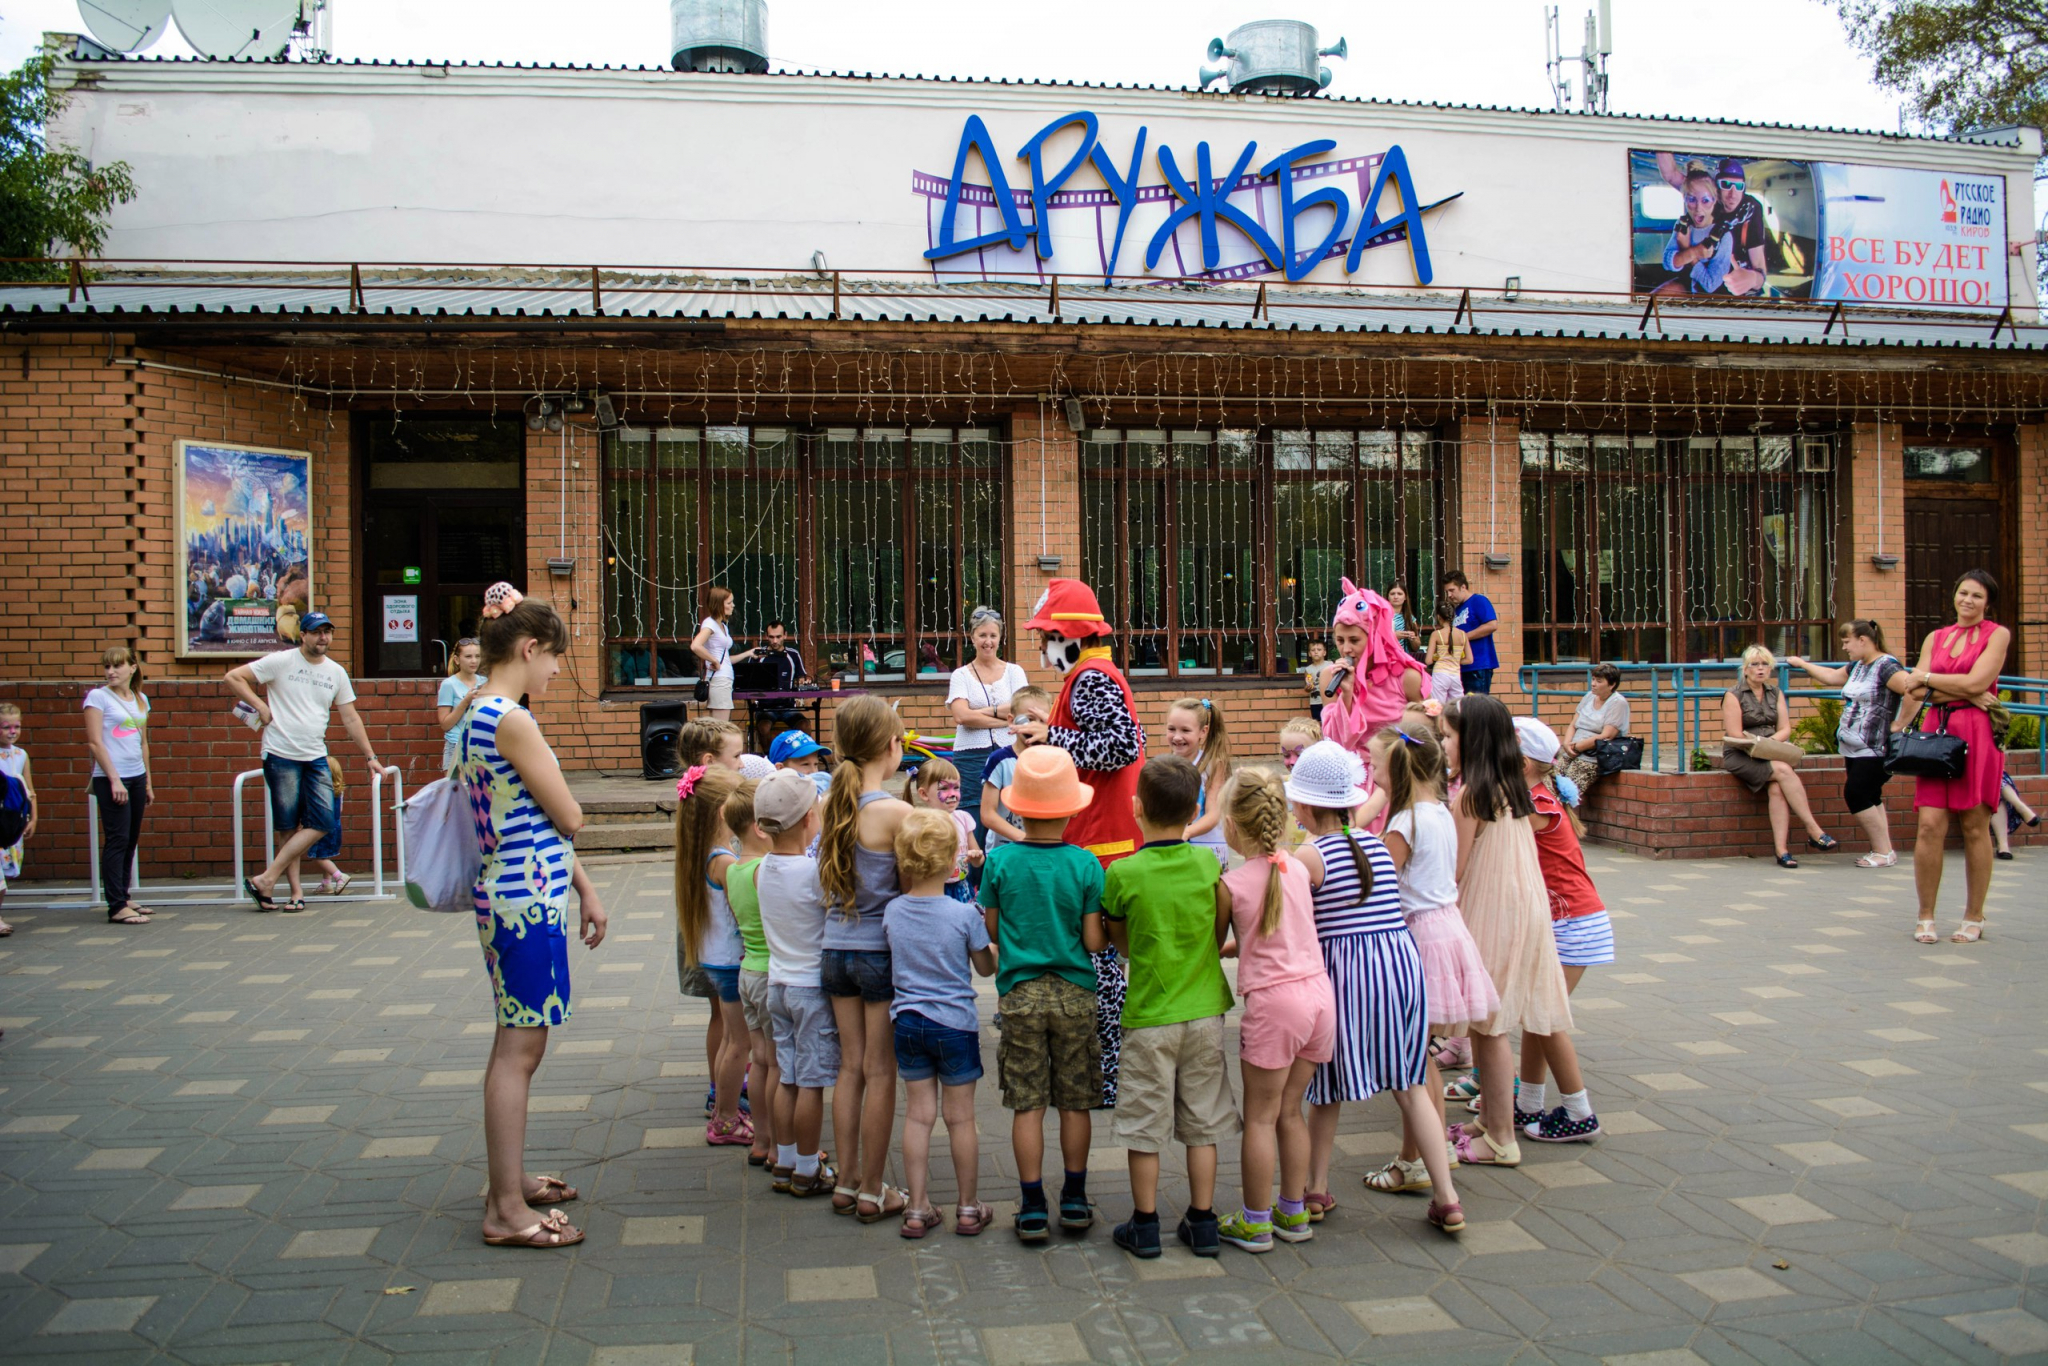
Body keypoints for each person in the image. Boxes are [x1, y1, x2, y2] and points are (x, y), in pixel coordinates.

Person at [461, 587, 609, 1250]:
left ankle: (509, 1181)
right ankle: (505, 1210)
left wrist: (585, 887)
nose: (556, 671)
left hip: (512, 888)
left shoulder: (473, 710)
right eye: (554, 658)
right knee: (519, 1052)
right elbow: (569, 814)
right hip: (525, 900)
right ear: (528, 649)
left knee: (512, 1045)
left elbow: (531, 818)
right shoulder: (511, 719)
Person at [1287, 739, 1462, 1233]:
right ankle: (1447, 1197)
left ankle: (1316, 1188)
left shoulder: (1308, 857)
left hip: (1349, 972)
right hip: (1400, 966)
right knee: (1410, 1086)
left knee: (1326, 1088)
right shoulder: (1372, 841)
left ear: (1303, 805)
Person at [1101, 755, 1238, 1260]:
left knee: (1144, 1123)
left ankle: (1145, 1224)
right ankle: (1202, 1221)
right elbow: (1220, 926)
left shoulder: (1123, 871)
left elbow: (1120, 942)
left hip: (1149, 1015)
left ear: (1135, 808)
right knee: (1202, 1122)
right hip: (1205, 1011)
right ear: (1195, 809)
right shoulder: (1209, 863)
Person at [1015, 580, 1144, 1107]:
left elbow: (1120, 746)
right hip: (1097, 841)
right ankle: (1099, 1074)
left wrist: (1050, 739)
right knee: (1099, 964)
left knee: (1102, 967)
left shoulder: (1091, 678)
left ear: (1071, 634)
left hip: (1102, 847)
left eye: (1048, 636)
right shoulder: (1089, 676)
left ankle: (1105, 1077)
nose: (1044, 648)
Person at [980, 744, 1109, 1242]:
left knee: (1027, 1104)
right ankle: (1074, 1199)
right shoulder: (1085, 864)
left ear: (1018, 806)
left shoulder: (1001, 862)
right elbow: (1095, 941)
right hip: (1075, 993)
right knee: (1076, 1101)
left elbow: (992, 925)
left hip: (1020, 994)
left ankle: (1032, 1204)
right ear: (1073, 807)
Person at [1439, 696, 1575, 1168]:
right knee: (1486, 1023)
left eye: (1449, 735)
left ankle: (1500, 1137)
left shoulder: (1470, 794)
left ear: (1470, 741)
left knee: (1489, 1026)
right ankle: (1489, 1121)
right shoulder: (1509, 784)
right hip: (1523, 907)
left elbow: (1451, 871)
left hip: (1490, 910)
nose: (1443, 743)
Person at [1362, 727, 1495, 1195]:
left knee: (1412, 1064)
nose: (1372, 774)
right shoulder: (1437, 810)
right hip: (1447, 927)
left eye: (1376, 765)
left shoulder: (1405, 824)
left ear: (1397, 769)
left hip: (1419, 936)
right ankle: (1429, 1151)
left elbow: (1379, 882)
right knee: (1421, 1058)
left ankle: (1413, 1160)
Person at [1213, 769, 1339, 1253]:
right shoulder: (1299, 869)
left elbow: (1214, 943)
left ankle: (1255, 1221)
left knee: (1260, 1117)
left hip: (1275, 1005)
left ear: (1229, 825)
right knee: (1291, 1112)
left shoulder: (1231, 884)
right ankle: (1294, 1211)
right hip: (1318, 998)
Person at [816, 694, 912, 1221]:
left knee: (848, 1069)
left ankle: (847, 1179)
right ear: (890, 747)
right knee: (880, 1071)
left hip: (834, 951)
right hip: (879, 954)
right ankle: (875, 1188)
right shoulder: (897, 813)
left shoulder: (831, 804)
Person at [226, 612, 392, 913]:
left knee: (324, 821)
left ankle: (266, 879)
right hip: (280, 753)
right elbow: (233, 677)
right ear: (302, 635)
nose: (323, 638)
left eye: (328, 632)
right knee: (288, 827)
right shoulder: (281, 661)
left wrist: (371, 757)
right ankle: (295, 893)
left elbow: (351, 717)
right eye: (316, 632)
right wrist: (261, 706)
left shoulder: (336, 672)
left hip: (315, 754)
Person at [884, 808, 997, 1239]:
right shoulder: (963, 914)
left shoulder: (893, 911)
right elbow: (984, 969)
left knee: (917, 1116)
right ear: (954, 862)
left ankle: (917, 1207)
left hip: (909, 1022)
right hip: (956, 1025)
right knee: (961, 1119)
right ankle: (968, 1207)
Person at [1902, 569, 2012, 944]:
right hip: (1936, 733)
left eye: (1977, 596)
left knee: (1973, 827)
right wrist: (1954, 688)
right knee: (1930, 825)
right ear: (1954, 595)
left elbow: (1977, 683)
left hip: (1977, 736)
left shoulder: (1998, 635)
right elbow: (1911, 690)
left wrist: (1930, 680)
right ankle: (1926, 916)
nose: (1967, 601)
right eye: (1963, 593)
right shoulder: (1937, 636)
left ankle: (1973, 915)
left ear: (1988, 602)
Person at [1511, 717, 1604, 1144]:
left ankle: (1579, 1112)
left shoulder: (1534, 805)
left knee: (1546, 1016)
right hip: (1566, 921)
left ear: (1526, 761)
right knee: (1536, 1014)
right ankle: (1528, 1105)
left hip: (1574, 923)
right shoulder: (1534, 794)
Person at [754, 769, 839, 1197]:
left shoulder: (760, 869)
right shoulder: (814, 873)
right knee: (812, 1082)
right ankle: (809, 1167)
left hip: (777, 985)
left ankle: (784, 1160)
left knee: (785, 1075)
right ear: (809, 818)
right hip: (811, 988)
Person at [1787, 621, 1915, 869]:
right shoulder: (1858, 665)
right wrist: (1802, 664)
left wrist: (1900, 723)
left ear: (1863, 641)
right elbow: (1832, 677)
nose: (1844, 647)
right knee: (1871, 795)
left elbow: (1914, 690)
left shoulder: (1886, 666)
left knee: (1856, 794)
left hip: (1874, 746)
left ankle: (1882, 850)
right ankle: (1885, 850)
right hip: (1852, 746)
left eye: (1847, 642)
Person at [673, 762, 752, 1148]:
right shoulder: (723, 860)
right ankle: (725, 1118)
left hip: (715, 959)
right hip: (731, 963)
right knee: (741, 1043)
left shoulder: (702, 851)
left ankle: (724, 1106)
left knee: (730, 1041)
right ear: (725, 811)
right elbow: (745, 908)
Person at [1319, 579, 1428, 825]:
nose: (1346, 649)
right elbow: (1335, 742)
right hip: (1349, 787)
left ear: (1375, 635)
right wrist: (1346, 695)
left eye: (1354, 640)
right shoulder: (1330, 677)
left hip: (1397, 784)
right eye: (1339, 640)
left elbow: (1430, 737)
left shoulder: (1406, 677)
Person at [1720, 645, 1839, 869]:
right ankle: (1813, 829)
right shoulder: (1733, 694)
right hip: (1742, 754)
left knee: (1777, 788)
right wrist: (1762, 746)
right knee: (1784, 770)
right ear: (1745, 669)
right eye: (1754, 665)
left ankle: (1782, 851)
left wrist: (1771, 744)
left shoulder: (1775, 693)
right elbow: (1735, 734)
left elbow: (1785, 728)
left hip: (1770, 751)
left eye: (1765, 664)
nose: (1760, 669)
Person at [722, 777, 778, 1169]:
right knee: (777, 1063)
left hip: (748, 972)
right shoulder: (764, 871)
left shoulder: (733, 870)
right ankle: (778, 1145)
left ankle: (761, 1139)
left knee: (760, 1060)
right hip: (773, 973)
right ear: (761, 827)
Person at [83, 645, 155, 925]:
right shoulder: (98, 697)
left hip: (136, 776)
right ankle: (115, 906)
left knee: (130, 839)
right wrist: (114, 779)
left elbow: (143, 742)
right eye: (107, 667)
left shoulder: (140, 699)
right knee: (117, 839)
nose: (110, 672)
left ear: (132, 668)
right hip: (111, 778)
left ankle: (123, 895)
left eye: (117, 666)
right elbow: (95, 742)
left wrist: (148, 780)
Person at [947, 605, 1030, 839]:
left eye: (993, 636)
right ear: (972, 637)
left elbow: (1023, 710)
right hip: (972, 758)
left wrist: (982, 712)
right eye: (982, 635)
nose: (988, 641)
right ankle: (975, 876)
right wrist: (1005, 719)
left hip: (1010, 753)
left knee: (1012, 816)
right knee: (973, 824)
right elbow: (961, 716)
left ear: (1000, 638)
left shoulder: (1015, 672)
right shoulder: (960, 675)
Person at [980, 686, 1054, 850]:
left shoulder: (1056, 760)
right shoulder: (999, 760)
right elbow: (987, 814)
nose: (1035, 726)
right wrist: (1025, 838)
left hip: (1045, 849)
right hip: (1005, 852)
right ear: (1011, 721)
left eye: (1042, 720)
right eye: (1028, 719)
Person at [1165, 698, 1233, 867]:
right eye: (1171, 729)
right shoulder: (1166, 764)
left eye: (1185, 730)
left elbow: (1213, 815)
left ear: (1203, 731)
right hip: (1178, 848)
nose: (1177, 737)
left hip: (1207, 852)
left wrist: (1185, 832)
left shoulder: (1213, 764)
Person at [907, 757, 982, 902]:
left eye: (956, 787)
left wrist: (976, 857)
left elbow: (977, 860)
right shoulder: (922, 824)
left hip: (962, 887)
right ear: (924, 794)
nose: (953, 794)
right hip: (934, 890)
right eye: (944, 788)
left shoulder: (964, 819)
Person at [1653, 169, 1737, 296]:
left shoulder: (1724, 236)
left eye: (1705, 201)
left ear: (1714, 201)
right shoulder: (1683, 224)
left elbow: (1710, 284)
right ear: (1684, 200)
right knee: (1650, 301)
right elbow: (1668, 263)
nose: (1698, 208)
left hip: (1711, 297)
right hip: (1687, 284)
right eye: (1692, 200)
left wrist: (1687, 250)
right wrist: (1693, 252)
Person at [1557, 663, 1631, 800]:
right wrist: (1567, 744)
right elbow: (1573, 724)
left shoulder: (1618, 703)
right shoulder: (1589, 696)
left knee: (1565, 794)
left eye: (1599, 681)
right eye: (1593, 679)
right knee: (1550, 783)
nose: (1593, 684)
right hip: (1572, 750)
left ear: (1612, 685)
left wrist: (1578, 747)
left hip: (1593, 757)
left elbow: (1607, 735)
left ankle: (1562, 819)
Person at [691, 586, 762, 723]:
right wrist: (714, 661)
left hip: (724, 678)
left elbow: (725, 660)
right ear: (719, 605)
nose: (732, 605)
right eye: (729, 603)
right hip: (720, 680)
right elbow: (695, 645)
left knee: (718, 726)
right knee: (720, 726)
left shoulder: (722, 626)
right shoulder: (710, 624)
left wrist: (748, 653)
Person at [0, 702, 36, 937]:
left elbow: (30, 790)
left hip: (12, 821)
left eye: (17, 726)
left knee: (7, 870)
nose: (13, 731)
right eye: (5, 727)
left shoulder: (21, 755)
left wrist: (33, 818)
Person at [750, 619, 810, 750]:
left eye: (778, 637)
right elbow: (748, 682)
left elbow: (802, 677)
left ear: (785, 635)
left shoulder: (793, 654)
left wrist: (803, 681)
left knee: (804, 725)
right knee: (763, 726)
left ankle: (798, 759)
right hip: (765, 707)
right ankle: (771, 761)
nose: (775, 641)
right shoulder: (759, 655)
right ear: (766, 636)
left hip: (788, 706)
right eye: (771, 637)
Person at [1440, 572, 1500, 696]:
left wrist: (1464, 637)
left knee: (1476, 708)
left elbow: (1492, 625)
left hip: (1478, 664)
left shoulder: (1478, 600)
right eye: (1447, 592)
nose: (1449, 595)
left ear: (1463, 587)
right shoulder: (1457, 609)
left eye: (1452, 590)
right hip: (1461, 666)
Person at [437, 637, 487, 773]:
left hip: (480, 744)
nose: (474, 661)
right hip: (456, 744)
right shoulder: (449, 684)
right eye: (468, 656)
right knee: (457, 791)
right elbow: (445, 724)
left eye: (477, 656)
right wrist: (465, 701)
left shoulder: (485, 682)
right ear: (457, 660)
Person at [1424, 599, 1470, 706]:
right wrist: (1455, 660)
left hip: (1440, 674)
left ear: (1439, 617)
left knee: (1437, 706)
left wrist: (1437, 657)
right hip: (1455, 674)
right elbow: (1469, 659)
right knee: (1457, 706)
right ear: (1454, 617)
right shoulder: (1463, 634)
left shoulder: (1436, 634)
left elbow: (1428, 660)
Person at [1386, 582, 1423, 657]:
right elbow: (1373, 640)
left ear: (1405, 597)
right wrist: (1393, 636)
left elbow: (1416, 647)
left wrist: (1413, 639)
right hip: (1386, 657)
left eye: (1399, 594)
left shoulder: (1410, 618)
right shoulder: (1381, 615)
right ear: (1388, 596)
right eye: (1392, 594)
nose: (1396, 597)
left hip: (1404, 658)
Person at [1302, 640, 1331, 723]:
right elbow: (1308, 686)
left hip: (1330, 700)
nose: (1316, 652)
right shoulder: (1308, 669)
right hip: (1315, 701)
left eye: (1319, 650)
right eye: (1313, 650)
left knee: (1330, 722)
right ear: (1309, 653)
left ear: (1324, 652)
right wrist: (1308, 687)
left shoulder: (1330, 665)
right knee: (1318, 723)